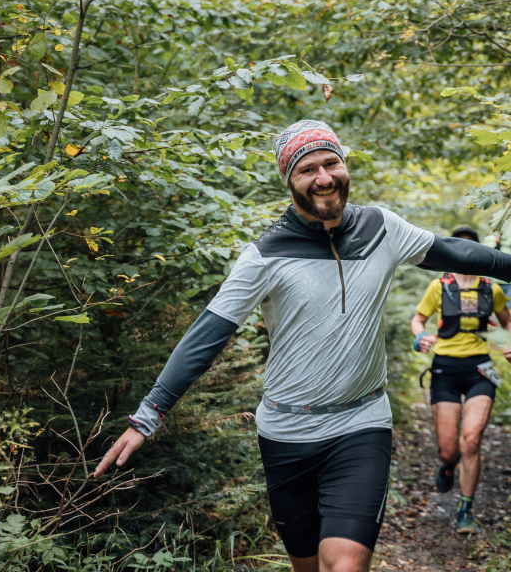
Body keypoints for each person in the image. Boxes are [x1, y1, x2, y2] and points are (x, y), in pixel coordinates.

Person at [94, 120, 511, 572]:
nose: (324, 177)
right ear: (289, 180)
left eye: (331, 163)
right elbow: (207, 335)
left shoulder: (381, 228)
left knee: (345, 565)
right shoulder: (265, 255)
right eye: (307, 169)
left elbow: (458, 252)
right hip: (286, 433)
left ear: (344, 165)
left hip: (361, 422)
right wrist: (149, 414)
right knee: (307, 566)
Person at [411, 227, 511, 533]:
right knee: (448, 450)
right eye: (459, 248)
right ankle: (447, 466)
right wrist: (421, 337)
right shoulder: (438, 286)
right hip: (445, 369)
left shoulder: (491, 289)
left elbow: (508, 322)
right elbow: (418, 320)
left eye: (471, 249)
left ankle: (465, 510)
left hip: (480, 369)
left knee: (471, 440)